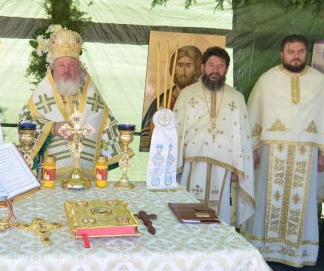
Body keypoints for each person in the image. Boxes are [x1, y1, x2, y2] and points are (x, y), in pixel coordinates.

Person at [246, 35, 324, 266]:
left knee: (303, 202)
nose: (295, 56)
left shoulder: (319, 81)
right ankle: (263, 248)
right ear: (282, 54)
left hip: (306, 154)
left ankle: (298, 252)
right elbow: (254, 115)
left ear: (305, 53)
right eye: (290, 51)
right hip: (270, 152)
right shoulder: (266, 80)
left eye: (299, 51)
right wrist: (253, 149)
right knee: (266, 197)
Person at [19, 27, 119, 177]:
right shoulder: (41, 97)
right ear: (53, 68)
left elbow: (107, 127)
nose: (66, 70)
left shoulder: (92, 97)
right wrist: (52, 128)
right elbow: (24, 124)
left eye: (72, 65)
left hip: (87, 177)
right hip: (51, 176)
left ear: (79, 68)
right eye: (61, 65)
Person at [172, 47, 254, 227]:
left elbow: (242, 137)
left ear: (226, 69)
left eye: (220, 66)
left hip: (223, 167)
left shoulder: (236, 98)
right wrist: (176, 163)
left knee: (220, 218)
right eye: (211, 65)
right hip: (191, 164)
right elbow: (176, 132)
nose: (215, 70)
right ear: (202, 67)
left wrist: (237, 166)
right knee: (188, 212)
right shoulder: (187, 95)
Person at [140, 45, 202, 152]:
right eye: (179, 65)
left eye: (188, 66)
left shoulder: (202, 100)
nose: (183, 71)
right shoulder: (161, 101)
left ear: (196, 70)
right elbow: (145, 137)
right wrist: (149, 138)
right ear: (173, 69)